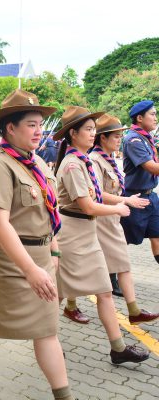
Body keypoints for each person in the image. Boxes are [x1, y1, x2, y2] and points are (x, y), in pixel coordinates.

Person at [0, 90, 73, 400]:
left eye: (40, 125)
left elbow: (49, 211)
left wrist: (53, 250)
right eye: (31, 125)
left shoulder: (37, 162)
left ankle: (64, 395)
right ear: (10, 128)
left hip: (40, 258)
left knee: (47, 331)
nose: (38, 131)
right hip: (5, 263)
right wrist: (30, 270)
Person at [53, 106, 149, 365]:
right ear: (73, 134)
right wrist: (120, 207)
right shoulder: (72, 165)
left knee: (104, 290)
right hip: (72, 234)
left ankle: (118, 348)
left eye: (94, 129)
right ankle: (46, 340)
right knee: (58, 292)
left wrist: (121, 203)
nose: (93, 133)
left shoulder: (83, 161)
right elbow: (87, 206)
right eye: (88, 129)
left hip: (87, 232)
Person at [89, 113, 159, 324]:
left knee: (122, 263)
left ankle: (133, 311)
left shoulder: (108, 159)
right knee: (82, 271)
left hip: (115, 214)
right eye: (116, 136)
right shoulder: (94, 160)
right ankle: (70, 305)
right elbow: (96, 194)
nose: (121, 140)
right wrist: (126, 200)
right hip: (103, 218)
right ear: (103, 138)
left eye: (121, 136)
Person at [120, 100, 159, 265]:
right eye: (152, 114)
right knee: (125, 239)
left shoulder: (146, 139)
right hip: (135, 197)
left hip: (151, 196)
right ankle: (112, 273)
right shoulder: (133, 140)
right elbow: (152, 167)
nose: (156, 118)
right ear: (140, 118)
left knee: (157, 235)